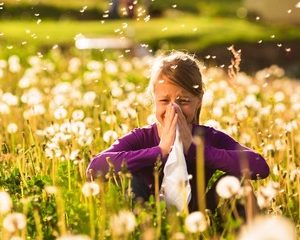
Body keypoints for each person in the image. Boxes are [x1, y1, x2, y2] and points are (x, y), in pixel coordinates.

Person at [86, 51, 269, 212]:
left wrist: (196, 150)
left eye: (183, 101)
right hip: (147, 216)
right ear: (154, 100)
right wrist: (160, 151)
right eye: (164, 101)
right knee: (129, 178)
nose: (174, 109)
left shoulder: (207, 137)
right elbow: (95, 169)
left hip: (199, 216)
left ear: (198, 101)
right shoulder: (142, 137)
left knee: (240, 184)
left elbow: (260, 166)